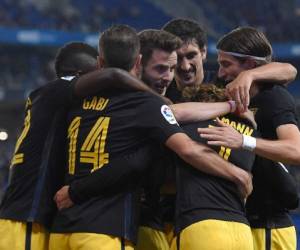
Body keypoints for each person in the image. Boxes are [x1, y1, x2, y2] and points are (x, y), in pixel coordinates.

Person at [50, 24, 252, 250]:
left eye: (171, 69)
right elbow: (179, 150)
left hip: (65, 225)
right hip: (121, 226)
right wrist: (237, 173)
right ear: (138, 64)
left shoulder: (80, 100)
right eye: (161, 69)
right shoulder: (146, 105)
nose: (168, 77)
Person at [0, 41, 158, 250]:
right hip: (25, 219)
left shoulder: (46, 98)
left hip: (29, 216)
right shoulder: (61, 88)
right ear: (79, 74)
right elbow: (114, 76)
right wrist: (158, 102)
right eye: (95, 74)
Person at [198, 26, 300, 250]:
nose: (221, 72)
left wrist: (244, 140)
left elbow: (296, 151)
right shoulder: (223, 90)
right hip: (239, 221)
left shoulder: (274, 98)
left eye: (227, 64)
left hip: (268, 225)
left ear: (251, 65)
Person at [173, 83, 258, 250]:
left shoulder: (188, 126)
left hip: (201, 226)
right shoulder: (247, 132)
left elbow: (168, 112)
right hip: (242, 230)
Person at [162, 18, 297, 111]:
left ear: (203, 52)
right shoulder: (160, 88)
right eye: (178, 58)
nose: (185, 66)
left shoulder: (225, 82)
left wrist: (249, 75)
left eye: (191, 56)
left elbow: (290, 70)